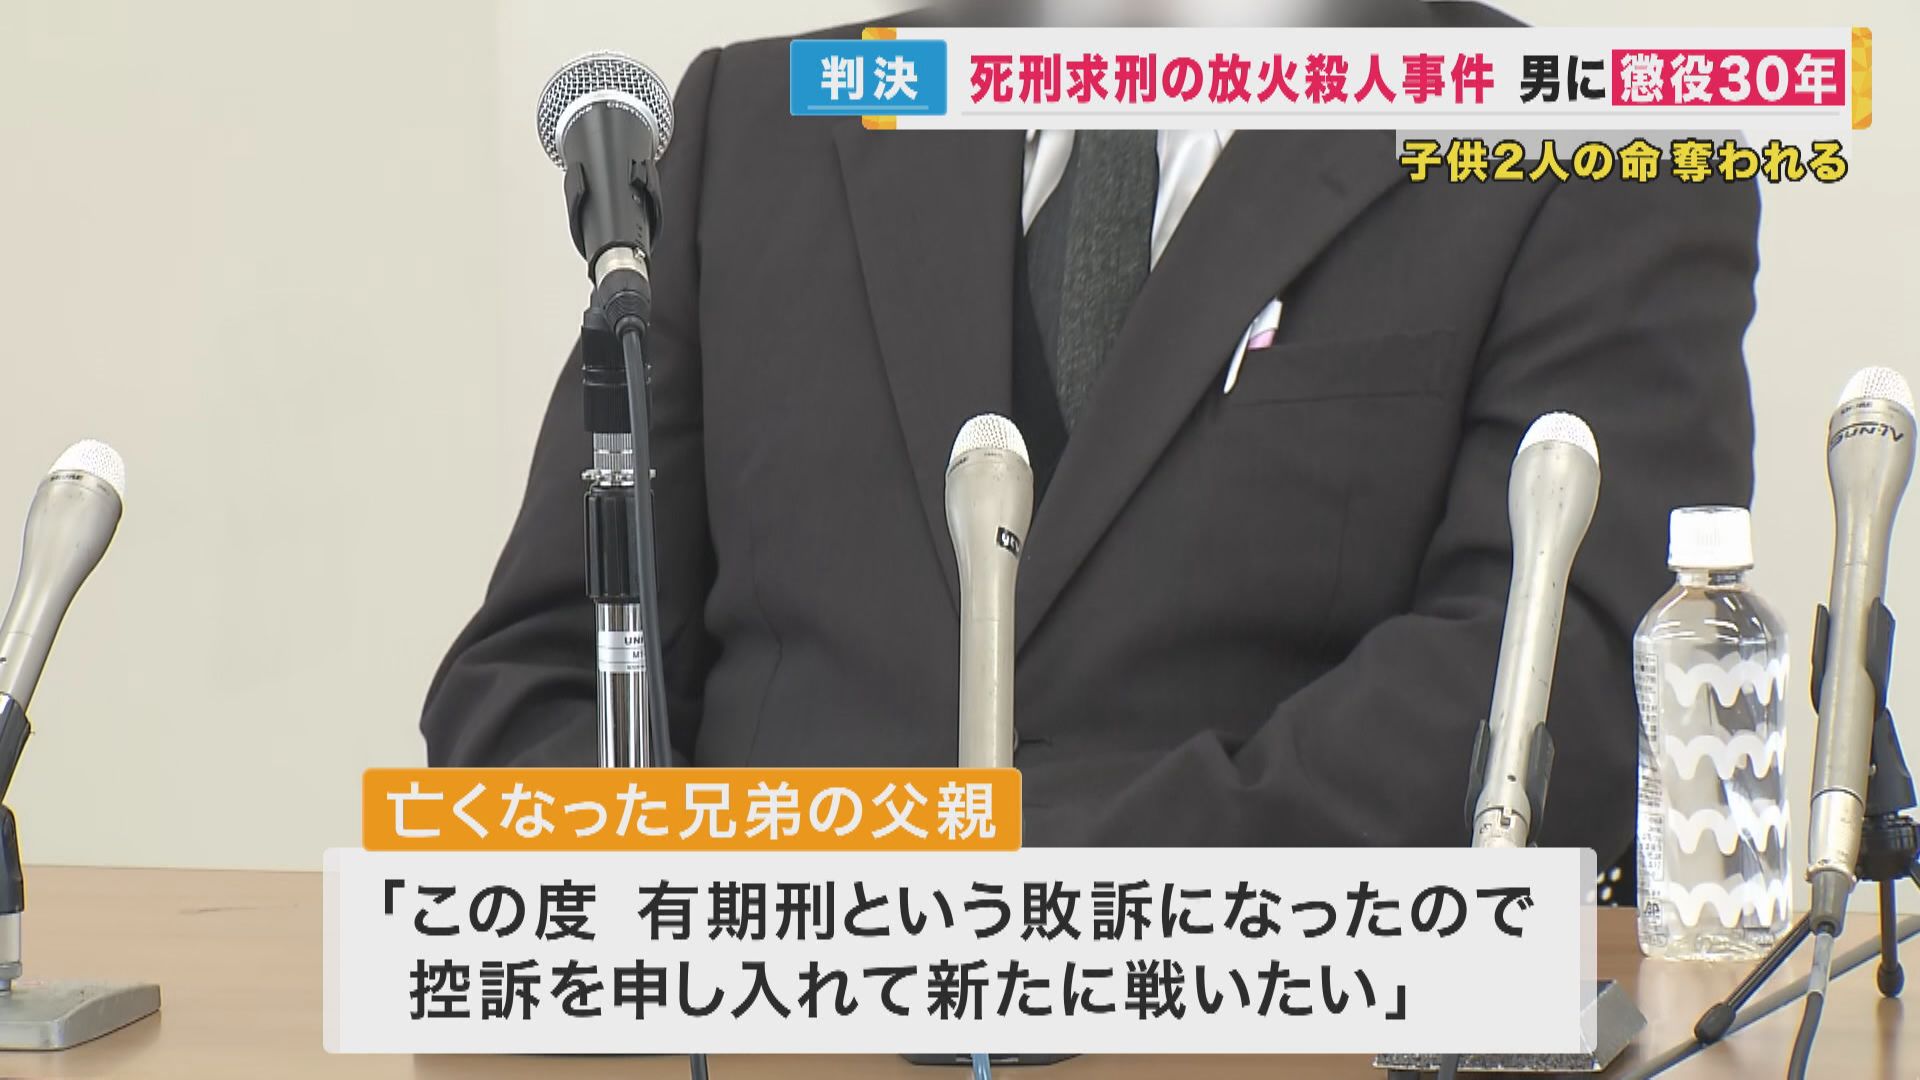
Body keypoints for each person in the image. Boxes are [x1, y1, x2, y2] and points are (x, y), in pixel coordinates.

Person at [422, 0, 1760, 869]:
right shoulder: (764, 120)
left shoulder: (1591, 152)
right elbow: (535, 688)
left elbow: (1569, 689)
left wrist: (1023, 887)